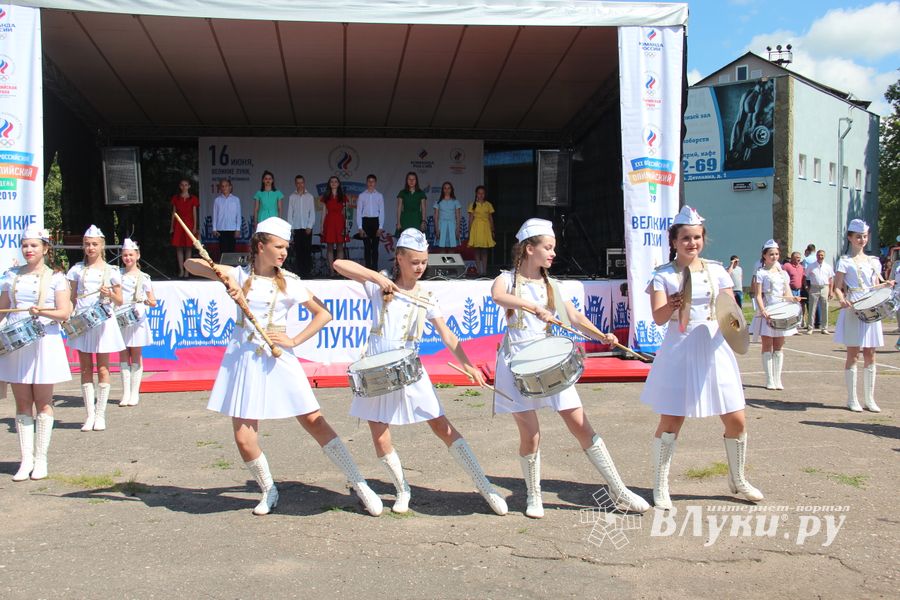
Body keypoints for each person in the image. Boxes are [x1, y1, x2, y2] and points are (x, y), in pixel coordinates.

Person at [185, 217, 382, 516]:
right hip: (244, 358)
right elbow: (191, 264)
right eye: (278, 246)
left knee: (314, 421)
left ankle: (360, 483)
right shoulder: (238, 274)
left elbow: (323, 315)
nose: (284, 252)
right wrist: (221, 277)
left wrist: (294, 339)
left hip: (279, 357)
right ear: (260, 246)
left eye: (286, 247)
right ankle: (268, 490)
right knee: (243, 436)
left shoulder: (290, 281)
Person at [333, 229, 507, 515]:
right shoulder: (379, 286)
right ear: (399, 258)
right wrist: (378, 277)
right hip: (376, 369)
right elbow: (340, 265)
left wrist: (467, 364)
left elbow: (447, 334)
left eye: (424, 262)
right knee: (379, 435)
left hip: (410, 368)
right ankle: (402, 489)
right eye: (414, 261)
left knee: (442, 426)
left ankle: (485, 485)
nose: (420, 267)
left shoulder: (427, 296)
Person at [490, 218, 648, 518]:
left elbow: (573, 316)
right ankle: (534, 496)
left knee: (580, 425)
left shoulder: (552, 286)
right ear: (528, 248)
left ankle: (619, 488)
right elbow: (498, 296)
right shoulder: (507, 280)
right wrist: (532, 307)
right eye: (547, 248)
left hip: (549, 363)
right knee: (531, 434)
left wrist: (602, 335)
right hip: (516, 364)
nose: (552, 253)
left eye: (553, 248)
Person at [641, 206, 763, 509]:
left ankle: (738, 479)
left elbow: (730, 310)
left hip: (714, 347)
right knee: (671, 420)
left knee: (736, 417)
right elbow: (657, 317)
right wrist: (672, 304)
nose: (691, 243)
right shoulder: (663, 276)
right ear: (674, 241)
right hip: (680, 348)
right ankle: (660, 486)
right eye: (685, 238)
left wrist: (738, 332)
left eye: (696, 237)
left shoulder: (718, 270)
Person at [0, 227, 73, 480]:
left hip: (44, 341)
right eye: (25, 246)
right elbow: (3, 310)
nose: (28, 250)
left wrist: (41, 311)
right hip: (17, 344)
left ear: (45, 248)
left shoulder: (56, 278)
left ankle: (41, 459)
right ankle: (25, 459)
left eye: (33, 245)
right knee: (22, 403)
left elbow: (64, 313)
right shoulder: (11, 276)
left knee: (43, 401)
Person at [67, 225, 125, 432]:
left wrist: (109, 294)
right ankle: (89, 414)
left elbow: (120, 300)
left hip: (103, 322)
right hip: (83, 322)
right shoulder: (76, 270)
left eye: (94, 244)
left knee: (103, 368)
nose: (90, 248)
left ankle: (100, 414)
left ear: (102, 246)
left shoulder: (112, 271)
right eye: (87, 244)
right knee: (84, 368)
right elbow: (72, 298)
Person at [833, 219, 895, 412]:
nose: (862, 240)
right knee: (853, 354)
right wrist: (842, 299)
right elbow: (837, 287)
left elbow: (877, 283)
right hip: (854, 308)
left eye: (865, 236)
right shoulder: (844, 261)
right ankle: (852, 399)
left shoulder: (873, 261)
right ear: (850, 238)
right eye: (858, 236)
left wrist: (886, 285)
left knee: (871, 353)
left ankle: (870, 398)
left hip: (871, 307)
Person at [748, 240, 800, 390]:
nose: (774, 257)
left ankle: (778, 378)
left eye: (776, 254)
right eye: (771, 254)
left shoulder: (783, 273)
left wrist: (793, 299)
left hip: (782, 310)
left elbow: (787, 293)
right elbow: (758, 295)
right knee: (767, 344)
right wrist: (763, 310)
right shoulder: (761, 273)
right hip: (768, 310)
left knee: (779, 345)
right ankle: (769, 379)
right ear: (764, 255)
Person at [117, 239, 157, 407]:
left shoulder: (144, 277)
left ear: (137, 256)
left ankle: (135, 392)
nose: (128, 258)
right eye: (125, 255)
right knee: (123, 353)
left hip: (137, 317)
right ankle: (125, 392)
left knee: (136, 354)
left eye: (131, 255)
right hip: (120, 316)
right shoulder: (116, 274)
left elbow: (152, 300)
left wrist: (145, 301)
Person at [286, 175, 316, 277]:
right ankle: (300, 273)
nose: (300, 185)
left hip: (307, 228)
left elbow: (312, 212)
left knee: (307, 250)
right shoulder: (292, 197)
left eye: (301, 182)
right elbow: (290, 213)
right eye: (298, 183)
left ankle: (307, 272)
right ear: (295, 184)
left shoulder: (310, 196)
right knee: (298, 251)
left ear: (304, 183)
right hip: (297, 227)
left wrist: (309, 226)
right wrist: (291, 228)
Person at [169, 179, 199, 279]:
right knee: (179, 247)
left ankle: (187, 271)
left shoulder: (193, 198)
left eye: (186, 185)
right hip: (178, 225)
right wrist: (171, 227)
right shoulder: (176, 198)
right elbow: (174, 213)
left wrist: (195, 226)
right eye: (182, 185)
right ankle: (181, 270)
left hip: (189, 224)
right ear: (180, 186)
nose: (184, 187)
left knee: (188, 248)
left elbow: (195, 213)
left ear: (189, 186)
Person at [320, 176, 349, 276]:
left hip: (340, 222)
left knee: (340, 247)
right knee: (330, 247)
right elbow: (324, 212)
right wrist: (321, 227)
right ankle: (331, 271)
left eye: (336, 181)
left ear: (339, 184)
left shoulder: (343, 196)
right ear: (329, 184)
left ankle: (339, 271)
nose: (333, 183)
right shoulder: (326, 196)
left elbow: (345, 213)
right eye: (331, 181)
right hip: (329, 222)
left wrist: (346, 226)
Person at [355, 174, 385, 271]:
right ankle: (368, 269)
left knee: (375, 248)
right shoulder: (362, 195)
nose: (371, 183)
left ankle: (375, 269)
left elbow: (382, 212)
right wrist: (360, 227)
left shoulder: (379, 196)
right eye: (369, 181)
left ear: (375, 183)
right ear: (366, 183)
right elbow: (359, 211)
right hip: (366, 222)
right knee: (367, 247)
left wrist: (380, 227)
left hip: (375, 222)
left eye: (373, 181)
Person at [467, 185, 495, 276]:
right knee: (477, 250)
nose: (481, 195)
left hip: (486, 228)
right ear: (476, 194)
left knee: (484, 250)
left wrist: (492, 230)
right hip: (476, 228)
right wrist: (470, 230)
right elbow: (470, 218)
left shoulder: (488, 204)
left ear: (485, 194)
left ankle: (484, 271)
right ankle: (479, 270)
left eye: (482, 193)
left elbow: (491, 218)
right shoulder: (472, 205)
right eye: (479, 193)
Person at [805, 249, 834, 335]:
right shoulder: (811, 266)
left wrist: (831, 291)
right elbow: (805, 276)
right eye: (819, 255)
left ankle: (824, 328)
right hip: (814, 288)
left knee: (825, 308)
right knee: (812, 308)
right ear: (816, 256)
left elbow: (831, 279)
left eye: (822, 255)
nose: (820, 257)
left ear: (824, 256)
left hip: (825, 287)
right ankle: (810, 328)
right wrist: (806, 286)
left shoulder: (828, 266)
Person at [212, 178, 242, 256]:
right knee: (223, 251)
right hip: (221, 229)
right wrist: (214, 229)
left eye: (226, 186)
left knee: (231, 250)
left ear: (230, 187)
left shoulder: (236, 199)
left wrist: (238, 229)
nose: (224, 188)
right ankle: (223, 267)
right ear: (220, 188)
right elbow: (215, 215)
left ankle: (231, 267)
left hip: (232, 229)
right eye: (222, 186)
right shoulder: (217, 200)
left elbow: (238, 215)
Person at [395, 172, 427, 236]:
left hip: (417, 219)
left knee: (417, 240)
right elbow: (399, 208)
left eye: (413, 179)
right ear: (407, 181)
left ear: (416, 181)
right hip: (405, 219)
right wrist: (398, 222)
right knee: (404, 241)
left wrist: (423, 221)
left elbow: (423, 208)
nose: (411, 181)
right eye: (409, 179)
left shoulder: (421, 193)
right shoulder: (402, 192)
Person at [434, 181, 461, 249]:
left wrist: (457, 229)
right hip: (441, 227)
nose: (447, 190)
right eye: (445, 188)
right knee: (442, 249)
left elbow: (458, 217)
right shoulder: (438, 202)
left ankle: (450, 260)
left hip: (453, 227)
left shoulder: (456, 202)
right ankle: (444, 260)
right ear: (442, 190)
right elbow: (436, 217)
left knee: (452, 249)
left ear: (451, 190)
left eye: (449, 188)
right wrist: (437, 229)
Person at [782, 251, 806, 327]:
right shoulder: (786, 266)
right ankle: (789, 324)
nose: (799, 259)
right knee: (789, 307)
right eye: (797, 258)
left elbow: (803, 278)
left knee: (798, 308)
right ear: (792, 258)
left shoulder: (801, 267)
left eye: (799, 258)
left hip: (798, 290)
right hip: (790, 290)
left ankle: (797, 324)